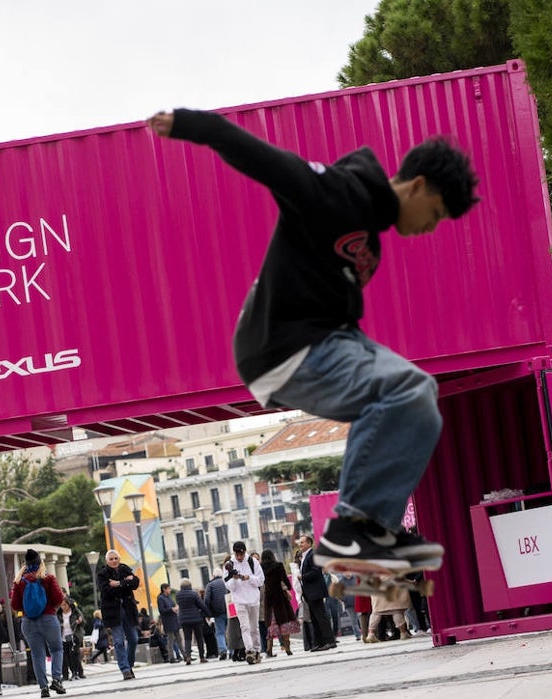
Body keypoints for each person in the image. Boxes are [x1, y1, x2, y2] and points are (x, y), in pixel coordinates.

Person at [147, 109, 477, 566]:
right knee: (409, 387)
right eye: (436, 214)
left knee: (421, 404)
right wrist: (188, 124)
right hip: (283, 346)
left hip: (329, 339)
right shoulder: (335, 192)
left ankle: (371, 534)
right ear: (418, 185)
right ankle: (352, 528)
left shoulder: (371, 241)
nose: (430, 228)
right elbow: (262, 159)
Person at [9, 549, 66, 698]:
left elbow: (15, 605)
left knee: (37, 654)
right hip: (48, 618)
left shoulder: (19, 581)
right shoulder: (48, 578)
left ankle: (43, 688)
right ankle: (57, 679)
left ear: (26, 564)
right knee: (56, 649)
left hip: (28, 622)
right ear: (40, 562)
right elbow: (58, 598)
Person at [96, 549, 141, 680]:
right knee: (119, 641)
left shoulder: (125, 569)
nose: (114, 561)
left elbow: (135, 583)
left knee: (133, 639)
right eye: (111, 559)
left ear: (119, 559)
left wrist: (118, 583)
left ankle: (129, 664)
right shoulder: (102, 574)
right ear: (107, 561)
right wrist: (125, 583)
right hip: (113, 611)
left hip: (128, 609)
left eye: (116, 558)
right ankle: (125, 669)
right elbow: (106, 591)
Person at [223, 541, 264, 665]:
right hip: (239, 600)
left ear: (245, 552)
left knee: (254, 628)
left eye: (241, 554)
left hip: (253, 599)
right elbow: (229, 586)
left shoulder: (253, 562)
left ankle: (257, 650)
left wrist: (248, 578)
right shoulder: (229, 564)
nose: (239, 557)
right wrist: (235, 580)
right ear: (234, 553)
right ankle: (249, 650)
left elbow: (261, 580)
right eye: (237, 554)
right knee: (244, 627)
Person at [298, 535, 337, 652]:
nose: (300, 545)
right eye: (299, 543)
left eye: (302, 542)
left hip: (316, 591)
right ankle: (320, 643)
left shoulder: (313, 554)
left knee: (321, 617)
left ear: (309, 543)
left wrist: (302, 577)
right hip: (309, 593)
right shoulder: (305, 556)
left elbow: (315, 571)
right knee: (314, 618)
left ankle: (330, 641)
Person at [259, 550, 298, 657]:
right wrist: (288, 588)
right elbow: (285, 580)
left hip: (269, 599)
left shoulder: (260, 567)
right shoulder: (278, 565)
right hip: (280, 598)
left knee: (271, 625)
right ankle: (287, 648)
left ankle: (269, 649)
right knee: (284, 622)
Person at [175, 578, 212, 664]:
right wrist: (208, 614)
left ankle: (188, 657)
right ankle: (202, 657)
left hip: (184, 620)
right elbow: (201, 605)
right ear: (190, 585)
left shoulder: (178, 595)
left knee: (187, 639)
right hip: (196, 619)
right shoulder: (194, 594)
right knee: (199, 638)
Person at [57, 596, 87, 681]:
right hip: (63, 637)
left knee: (74, 653)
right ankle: (69, 673)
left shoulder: (75, 612)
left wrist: (80, 621)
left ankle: (76, 672)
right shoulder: (59, 614)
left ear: (69, 604)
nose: (63, 607)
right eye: (61, 605)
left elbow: (83, 622)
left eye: (65, 605)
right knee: (66, 656)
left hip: (74, 636)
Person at [204, 568, 230, 660]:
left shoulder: (210, 585)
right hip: (229, 610)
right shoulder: (226, 582)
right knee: (230, 631)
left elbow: (206, 600)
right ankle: (232, 650)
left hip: (217, 612)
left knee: (220, 632)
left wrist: (207, 613)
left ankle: (223, 650)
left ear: (213, 575)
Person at [156, 583, 184, 662]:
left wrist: (175, 607)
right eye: (168, 588)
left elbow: (173, 605)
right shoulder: (161, 598)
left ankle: (185, 655)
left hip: (174, 620)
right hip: (168, 621)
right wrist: (171, 609)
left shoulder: (168, 597)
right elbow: (161, 610)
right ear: (164, 589)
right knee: (171, 640)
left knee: (179, 639)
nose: (170, 590)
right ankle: (171, 657)